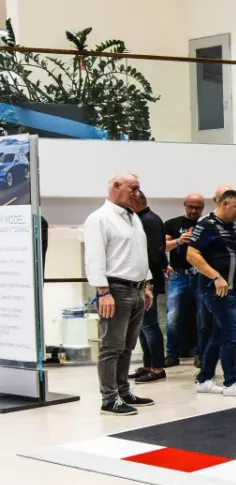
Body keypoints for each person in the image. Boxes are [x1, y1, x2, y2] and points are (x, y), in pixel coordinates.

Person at [82, 173, 156, 416]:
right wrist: (103, 292)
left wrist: (146, 285)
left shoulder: (133, 218)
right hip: (115, 289)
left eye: (138, 189)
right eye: (133, 188)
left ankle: (123, 391)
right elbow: (94, 258)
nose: (137, 193)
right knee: (111, 347)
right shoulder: (99, 218)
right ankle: (109, 399)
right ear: (116, 187)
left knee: (127, 347)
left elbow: (140, 253)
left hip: (136, 288)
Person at [187, 189, 236, 397]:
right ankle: (231, 382)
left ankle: (204, 379)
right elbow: (192, 254)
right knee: (232, 333)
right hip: (216, 290)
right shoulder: (206, 225)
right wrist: (216, 276)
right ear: (224, 204)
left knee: (218, 335)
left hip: (234, 289)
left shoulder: (234, 227)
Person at [130, 190, 168, 383]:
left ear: (136, 202)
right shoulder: (141, 219)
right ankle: (148, 365)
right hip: (143, 278)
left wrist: (164, 266)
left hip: (149, 280)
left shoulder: (149, 221)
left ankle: (157, 368)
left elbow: (155, 250)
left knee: (149, 325)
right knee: (142, 326)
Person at [163, 194, 205, 367]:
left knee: (202, 316)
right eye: (190, 207)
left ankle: (200, 354)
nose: (194, 211)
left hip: (201, 274)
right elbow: (163, 246)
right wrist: (179, 241)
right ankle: (172, 354)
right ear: (184, 205)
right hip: (178, 274)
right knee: (172, 317)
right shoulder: (172, 224)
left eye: (198, 208)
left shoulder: (207, 224)